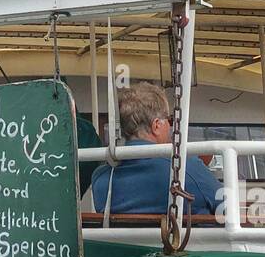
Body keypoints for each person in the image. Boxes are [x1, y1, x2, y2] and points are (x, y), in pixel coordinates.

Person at [91, 82, 220, 216]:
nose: (170, 126)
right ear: (157, 126)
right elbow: (226, 206)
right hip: (182, 237)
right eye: (169, 120)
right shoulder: (188, 169)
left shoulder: (101, 178)